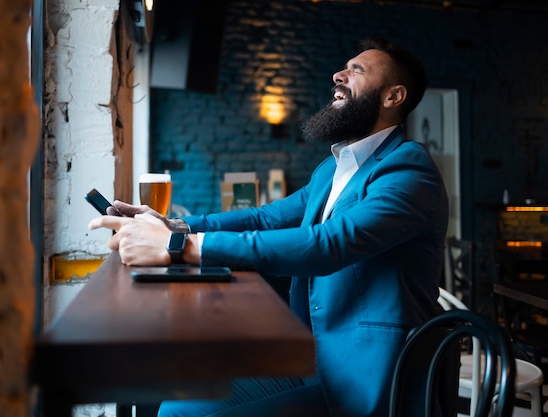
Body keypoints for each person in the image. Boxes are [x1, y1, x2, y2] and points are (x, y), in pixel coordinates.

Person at [88, 37, 449, 417]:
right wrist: (170, 223)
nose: (338, 75)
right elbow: (266, 218)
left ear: (393, 96)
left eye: (356, 70)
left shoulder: (409, 168)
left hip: (367, 375)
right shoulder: (333, 169)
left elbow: (329, 246)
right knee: (178, 410)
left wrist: (181, 245)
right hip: (311, 359)